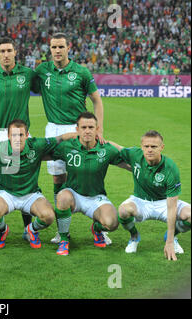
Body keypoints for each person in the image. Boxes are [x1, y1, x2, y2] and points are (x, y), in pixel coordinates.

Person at [34, 33, 105, 244]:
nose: (57, 50)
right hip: (54, 130)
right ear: (49, 49)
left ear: (68, 48)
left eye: (61, 47)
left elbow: (97, 101)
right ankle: (61, 229)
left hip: (78, 129)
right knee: (58, 178)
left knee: (87, 175)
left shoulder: (81, 72)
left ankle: (99, 226)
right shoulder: (42, 70)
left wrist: (98, 130)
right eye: (53, 47)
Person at [0, 119, 77, 249]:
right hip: (7, 194)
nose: (17, 139)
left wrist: (79, 134)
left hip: (31, 194)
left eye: (20, 135)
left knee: (49, 217)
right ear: (8, 136)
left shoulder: (36, 145)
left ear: (27, 135)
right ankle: (3, 230)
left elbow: (60, 138)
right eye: (14, 135)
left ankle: (31, 229)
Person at [0, 36, 40, 243]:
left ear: (15, 53)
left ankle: (28, 229)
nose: (6, 54)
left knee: (25, 181)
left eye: (9, 50)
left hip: (21, 135)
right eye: (2, 51)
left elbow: (45, 90)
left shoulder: (28, 74)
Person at [49, 112, 130, 256]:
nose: (87, 131)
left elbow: (128, 161)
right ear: (77, 129)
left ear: (97, 129)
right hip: (73, 195)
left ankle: (97, 229)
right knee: (62, 197)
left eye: (91, 127)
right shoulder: (67, 146)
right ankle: (63, 239)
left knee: (112, 223)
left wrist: (144, 170)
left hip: (96, 198)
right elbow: (42, 151)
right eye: (84, 127)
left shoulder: (106, 149)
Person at [110, 130, 190, 261]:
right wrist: (98, 138)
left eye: (154, 146)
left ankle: (173, 236)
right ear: (141, 147)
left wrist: (169, 242)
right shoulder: (135, 154)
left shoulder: (170, 168)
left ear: (161, 147)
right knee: (123, 211)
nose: (149, 150)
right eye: (146, 146)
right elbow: (117, 148)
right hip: (141, 201)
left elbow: (171, 207)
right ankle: (134, 236)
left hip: (164, 203)